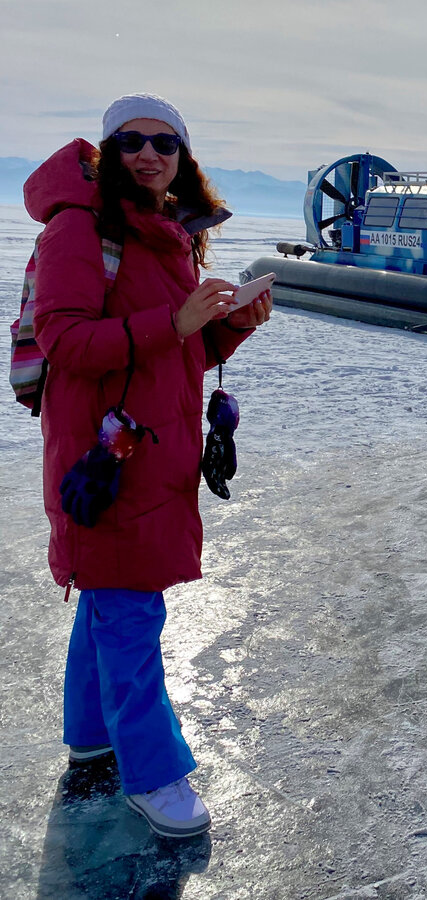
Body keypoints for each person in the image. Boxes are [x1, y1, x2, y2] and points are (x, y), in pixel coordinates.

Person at [26, 93, 272, 838]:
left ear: (183, 159)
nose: (148, 154)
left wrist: (226, 330)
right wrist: (176, 319)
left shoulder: (168, 233)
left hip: (152, 446)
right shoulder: (81, 228)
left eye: (164, 144)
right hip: (107, 453)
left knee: (108, 594)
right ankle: (155, 774)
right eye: (130, 141)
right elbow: (67, 342)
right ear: (106, 153)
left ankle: (91, 734)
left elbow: (177, 353)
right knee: (129, 601)